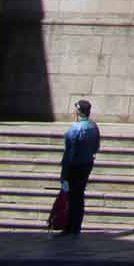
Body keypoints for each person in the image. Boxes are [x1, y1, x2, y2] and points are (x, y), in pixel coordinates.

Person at [56, 98, 101, 234]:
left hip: (74, 166)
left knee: (72, 196)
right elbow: (96, 147)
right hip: (86, 164)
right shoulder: (93, 127)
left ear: (78, 111)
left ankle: (69, 226)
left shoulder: (75, 129)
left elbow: (69, 152)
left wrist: (64, 173)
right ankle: (76, 225)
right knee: (79, 195)